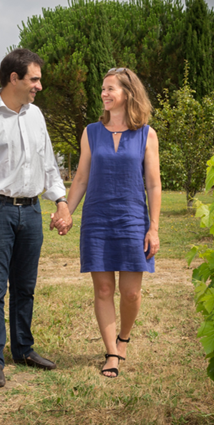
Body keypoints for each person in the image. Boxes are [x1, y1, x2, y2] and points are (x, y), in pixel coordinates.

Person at [0, 48, 71, 388]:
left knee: (25, 286)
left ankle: (24, 349)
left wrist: (61, 201)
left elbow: (47, 162)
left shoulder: (35, 115)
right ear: (14, 78)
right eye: (34, 79)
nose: (39, 86)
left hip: (31, 211)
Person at [53, 67, 160, 378]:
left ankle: (123, 338)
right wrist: (67, 211)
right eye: (102, 89)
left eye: (110, 88)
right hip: (97, 219)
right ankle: (111, 353)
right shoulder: (91, 132)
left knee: (130, 293)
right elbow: (82, 177)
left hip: (132, 220)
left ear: (128, 93)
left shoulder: (146, 134)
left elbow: (153, 184)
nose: (104, 94)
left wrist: (153, 228)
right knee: (102, 289)